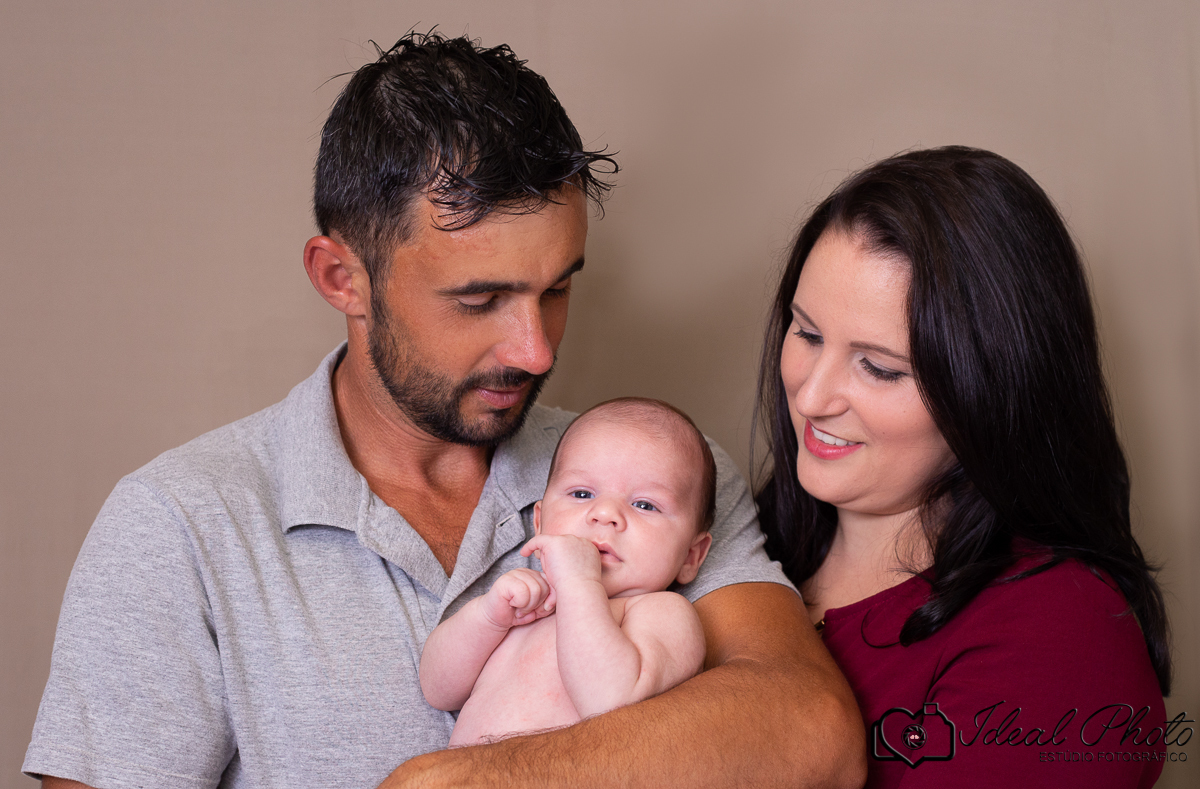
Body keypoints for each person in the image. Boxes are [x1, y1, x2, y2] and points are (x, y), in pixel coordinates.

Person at [25, 32, 865, 789]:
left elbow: (813, 734)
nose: (536, 350)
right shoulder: (179, 525)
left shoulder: (655, 476)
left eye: (557, 288)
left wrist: (462, 780)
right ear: (342, 279)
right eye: (479, 299)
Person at [754, 146, 1171, 788]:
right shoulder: (716, 538)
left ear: (994, 390)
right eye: (807, 333)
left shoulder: (1060, 633)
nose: (810, 398)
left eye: (879, 368)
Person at [422, 398, 717, 746]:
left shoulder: (664, 614)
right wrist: (487, 617)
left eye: (644, 504)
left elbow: (610, 705)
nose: (605, 513)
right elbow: (437, 690)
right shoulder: (527, 602)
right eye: (581, 493)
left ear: (691, 556)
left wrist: (580, 582)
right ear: (540, 522)